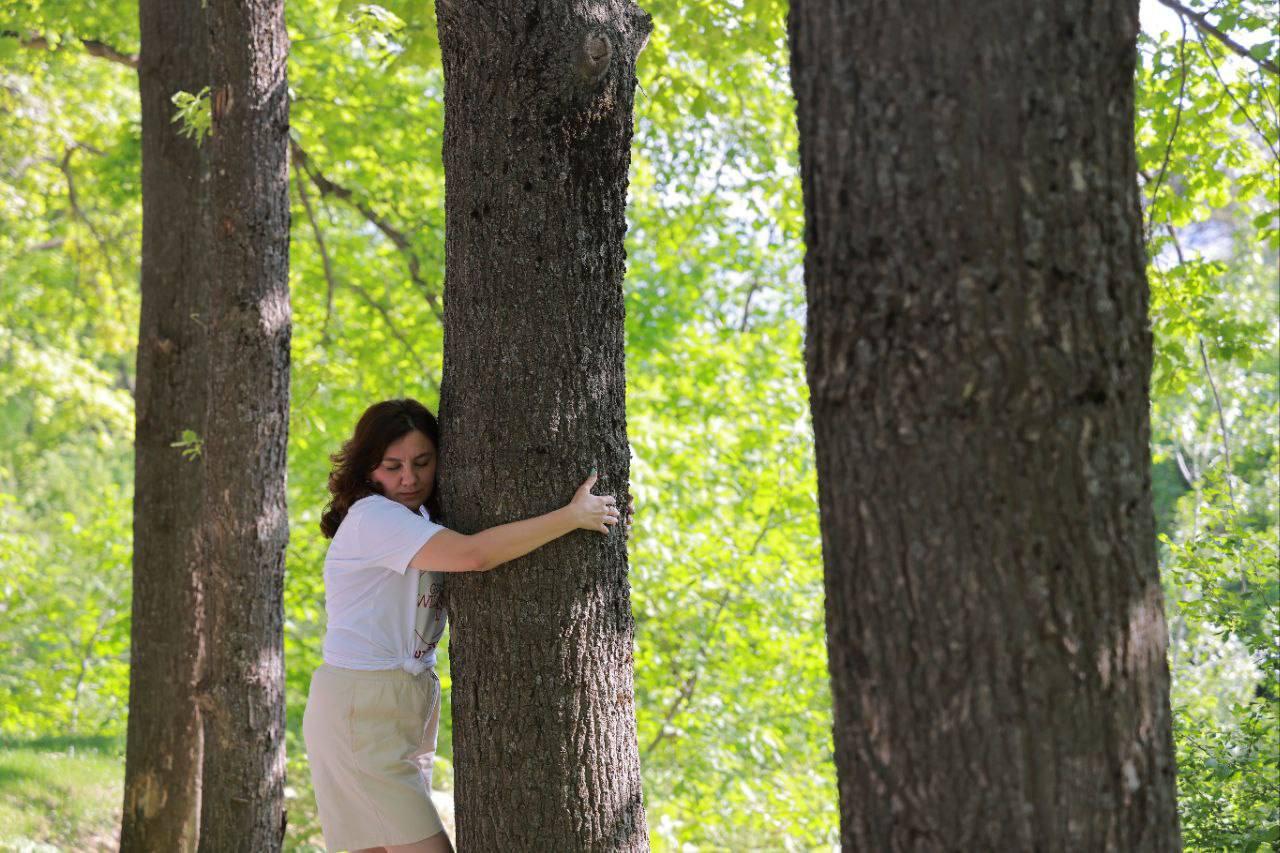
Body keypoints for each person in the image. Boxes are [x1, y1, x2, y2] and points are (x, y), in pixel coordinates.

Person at [302, 398, 619, 853]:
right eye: (392, 466)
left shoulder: (421, 518)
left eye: (422, 462)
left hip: (399, 703)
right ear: (367, 469)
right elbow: (476, 555)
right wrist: (570, 517)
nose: (409, 478)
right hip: (361, 708)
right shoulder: (375, 516)